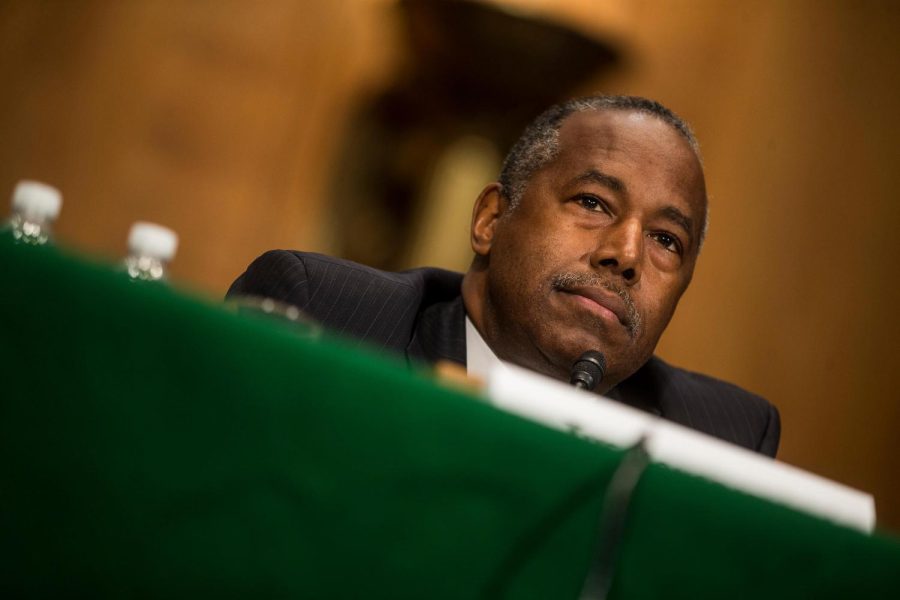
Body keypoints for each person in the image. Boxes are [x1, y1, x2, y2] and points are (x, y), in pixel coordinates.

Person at [228, 95, 780, 457]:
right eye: (593, 202)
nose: (627, 254)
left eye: (667, 240)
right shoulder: (326, 317)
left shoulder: (721, 437)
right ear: (492, 219)